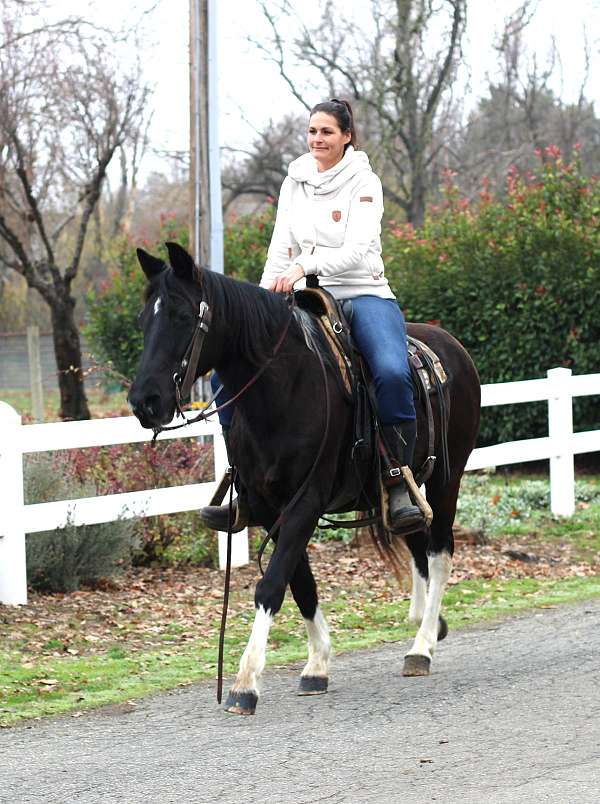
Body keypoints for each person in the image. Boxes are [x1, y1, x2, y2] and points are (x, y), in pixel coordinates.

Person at [203, 99, 421, 533]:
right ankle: (243, 484)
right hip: (304, 295)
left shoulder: (365, 182)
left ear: (347, 137)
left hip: (362, 292)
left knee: (392, 373)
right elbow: (281, 246)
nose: (317, 139)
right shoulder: (294, 181)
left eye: (326, 132)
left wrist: (306, 266)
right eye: (312, 131)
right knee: (223, 377)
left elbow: (358, 248)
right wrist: (264, 300)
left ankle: (398, 480)